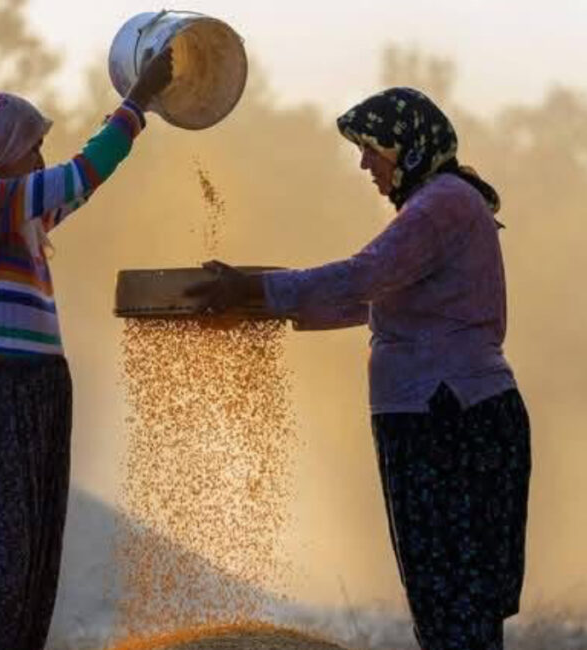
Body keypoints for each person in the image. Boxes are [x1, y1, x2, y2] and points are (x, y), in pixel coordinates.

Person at [188, 87, 531, 650]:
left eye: (373, 147)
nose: (365, 163)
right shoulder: (441, 204)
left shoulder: (442, 204)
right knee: (445, 598)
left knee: (455, 598)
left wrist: (253, 289)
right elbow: (367, 300)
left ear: (410, 145)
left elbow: (362, 276)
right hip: (438, 413)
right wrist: (254, 307)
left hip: (449, 415)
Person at [0, 48, 173, 650]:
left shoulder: (13, 215)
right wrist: (137, 104)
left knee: (29, 563)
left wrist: (140, 109)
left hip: (35, 395)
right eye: (30, 147)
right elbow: (80, 174)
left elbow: (76, 188)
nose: (39, 160)